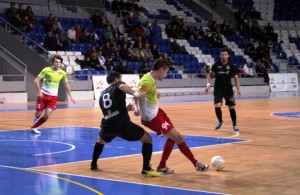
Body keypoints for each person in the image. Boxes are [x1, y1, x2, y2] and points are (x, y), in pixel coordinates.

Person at [137, 58, 209, 174]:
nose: (166, 75)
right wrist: (136, 107)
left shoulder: (150, 78)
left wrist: (155, 94)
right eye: (166, 72)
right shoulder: (147, 81)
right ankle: (196, 163)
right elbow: (138, 95)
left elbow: (146, 93)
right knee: (179, 137)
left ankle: (162, 166)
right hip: (153, 119)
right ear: (161, 70)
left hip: (158, 113)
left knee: (173, 138)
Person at [90, 71, 161, 177]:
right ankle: (146, 168)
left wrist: (125, 109)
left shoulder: (102, 95)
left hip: (108, 125)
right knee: (147, 139)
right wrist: (135, 93)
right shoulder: (118, 85)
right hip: (122, 124)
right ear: (116, 80)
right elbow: (123, 87)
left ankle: (93, 165)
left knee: (100, 141)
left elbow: (110, 111)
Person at [30, 55, 76, 134]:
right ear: (53, 62)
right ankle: (34, 124)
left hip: (53, 98)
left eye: (59, 62)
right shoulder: (46, 70)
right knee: (38, 114)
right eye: (56, 62)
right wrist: (39, 91)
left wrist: (71, 96)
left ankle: (34, 127)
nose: (58, 64)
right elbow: (36, 80)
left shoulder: (63, 73)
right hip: (43, 95)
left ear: (61, 63)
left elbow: (66, 84)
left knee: (46, 116)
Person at [205, 48, 241, 133]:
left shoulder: (232, 66)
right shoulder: (216, 65)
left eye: (225, 55)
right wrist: (208, 84)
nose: (223, 56)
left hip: (228, 89)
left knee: (231, 107)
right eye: (222, 55)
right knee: (217, 105)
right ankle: (220, 121)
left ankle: (234, 124)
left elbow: (236, 78)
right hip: (218, 88)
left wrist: (238, 89)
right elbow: (210, 75)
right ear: (220, 55)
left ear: (228, 56)